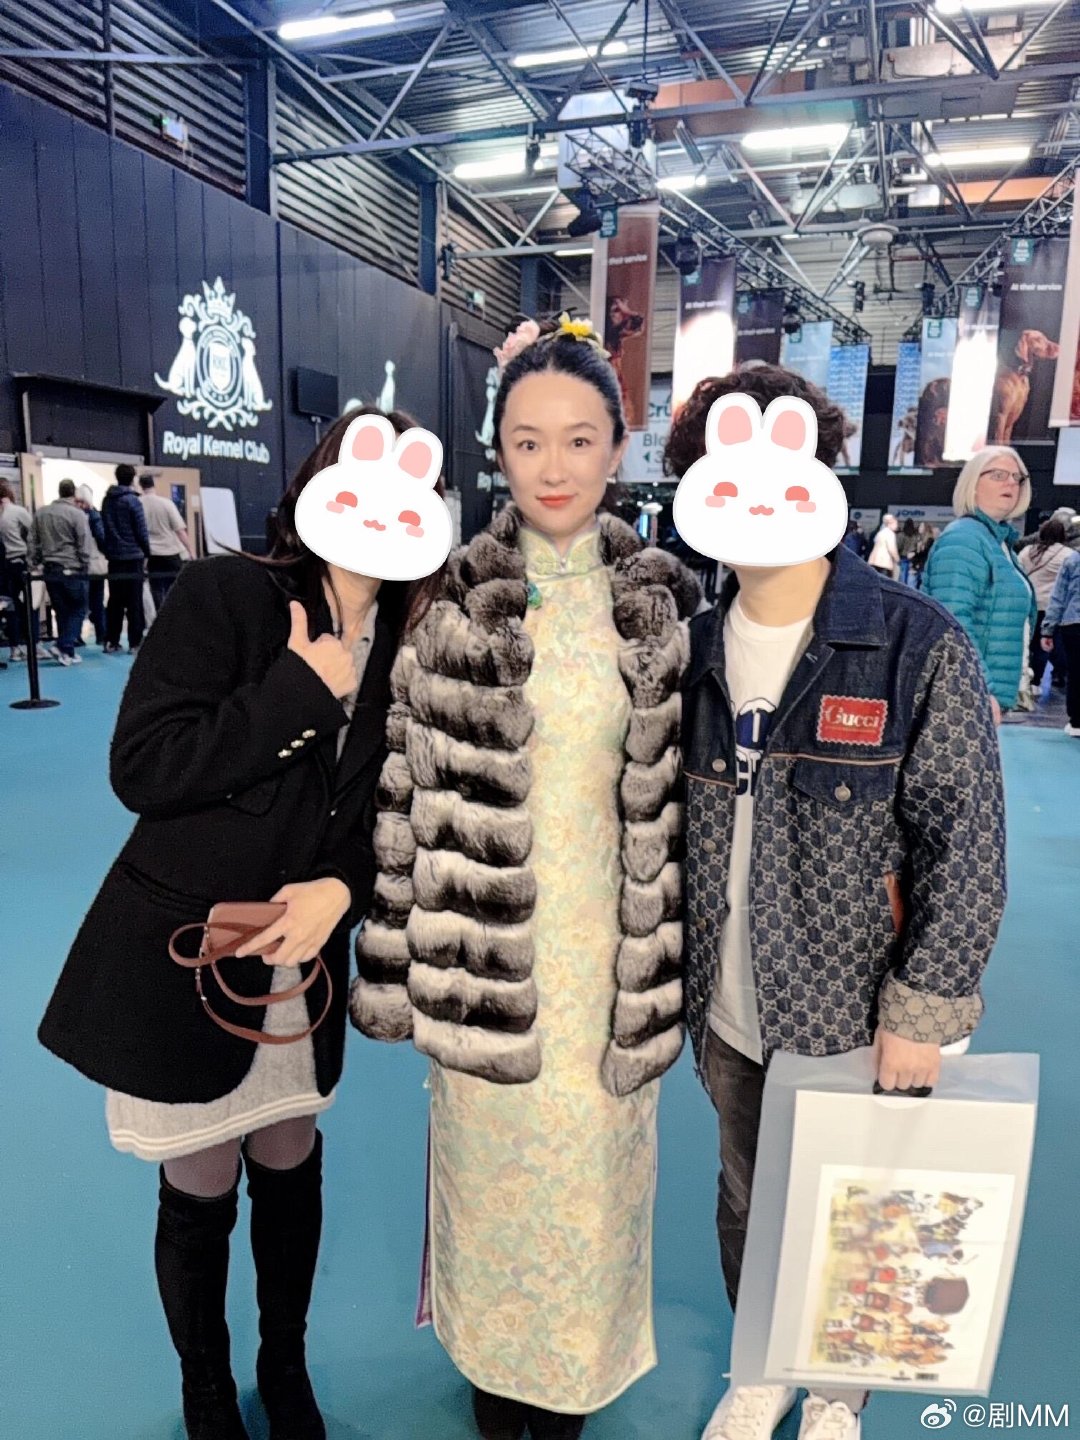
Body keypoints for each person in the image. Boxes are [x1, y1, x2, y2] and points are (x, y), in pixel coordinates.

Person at [38, 407, 445, 1440]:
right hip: (191, 951)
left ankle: (284, 1363)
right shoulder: (229, 596)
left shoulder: (409, 644)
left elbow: (391, 814)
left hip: (301, 964)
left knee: (291, 1158)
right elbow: (145, 766)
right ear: (321, 487)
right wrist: (298, 692)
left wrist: (342, 889)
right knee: (200, 1179)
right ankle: (208, 1388)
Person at [351, 316, 701, 1440]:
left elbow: (696, 801)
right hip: (482, 965)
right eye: (529, 440)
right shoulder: (450, 600)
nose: (555, 467)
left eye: (581, 440)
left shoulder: (663, 604)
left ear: (618, 448)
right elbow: (400, 791)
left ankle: (572, 1386)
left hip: (613, 968)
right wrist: (393, 966)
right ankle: (496, 1376)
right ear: (498, 449)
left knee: (594, 1193)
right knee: (492, 1189)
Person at [664, 362, 1005, 1440]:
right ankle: (762, 1364)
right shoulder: (689, 653)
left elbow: (966, 843)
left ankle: (837, 1392)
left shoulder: (914, 645)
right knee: (747, 1194)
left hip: (854, 1009)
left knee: (858, 1205)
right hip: (727, 1004)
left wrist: (922, 1009)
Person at [921, 446, 1037, 724]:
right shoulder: (964, 539)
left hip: (979, 695)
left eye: (1017, 477)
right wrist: (980, 688)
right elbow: (953, 622)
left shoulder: (996, 542)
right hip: (963, 696)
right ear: (972, 484)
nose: (1011, 483)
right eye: (998, 475)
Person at [31, 478, 92, 665]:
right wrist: (85, 564)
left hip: (50, 568)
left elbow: (33, 541)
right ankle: (64, 644)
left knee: (61, 610)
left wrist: (34, 562)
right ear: (74, 494)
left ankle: (68, 652)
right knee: (79, 608)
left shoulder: (41, 513)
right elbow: (84, 542)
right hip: (71, 567)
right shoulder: (77, 514)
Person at [101, 462, 150, 653]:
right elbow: (141, 530)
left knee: (115, 601)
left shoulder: (107, 501)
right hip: (133, 557)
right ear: (132, 478)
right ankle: (135, 643)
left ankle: (111, 641)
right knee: (134, 602)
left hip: (114, 557)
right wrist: (147, 551)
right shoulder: (133, 501)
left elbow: (103, 528)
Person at [1020, 519, 1073, 691]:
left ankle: (1023, 679)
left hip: (1027, 604)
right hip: (1050, 607)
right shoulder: (1067, 555)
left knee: (1025, 643)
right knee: (1043, 645)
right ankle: (1036, 682)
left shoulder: (1028, 551)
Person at [140, 474, 195, 612]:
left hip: (152, 554)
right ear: (154, 485)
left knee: (157, 589)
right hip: (171, 553)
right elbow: (180, 531)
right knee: (175, 587)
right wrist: (191, 551)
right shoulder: (166, 503)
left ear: (141, 486)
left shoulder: (138, 504)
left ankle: (161, 616)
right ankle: (176, 615)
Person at [1041, 545, 1080, 738]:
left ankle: (1077, 722)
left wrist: (1048, 630)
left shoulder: (1073, 559)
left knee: (1076, 673)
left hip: (1074, 624)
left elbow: (1058, 597)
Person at [0, 477, 40, 659]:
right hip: (22, 562)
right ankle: (34, 645)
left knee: (12, 607)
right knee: (31, 605)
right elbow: (34, 532)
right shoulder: (17, 511)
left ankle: (15, 647)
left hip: (6, 565)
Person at [75, 484, 108, 646]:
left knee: (82, 602)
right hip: (95, 564)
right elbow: (102, 538)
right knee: (97, 601)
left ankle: (77, 636)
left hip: (81, 564)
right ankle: (101, 635)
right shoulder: (95, 516)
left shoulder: (76, 515)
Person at [866, 514, 899, 579]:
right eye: (896, 524)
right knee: (884, 582)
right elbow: (892, 549)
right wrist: (897, 559)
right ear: (890, 523)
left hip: (873, 561)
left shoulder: (880, 533)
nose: (897, 526)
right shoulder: (890, 534)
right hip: (884, 563)